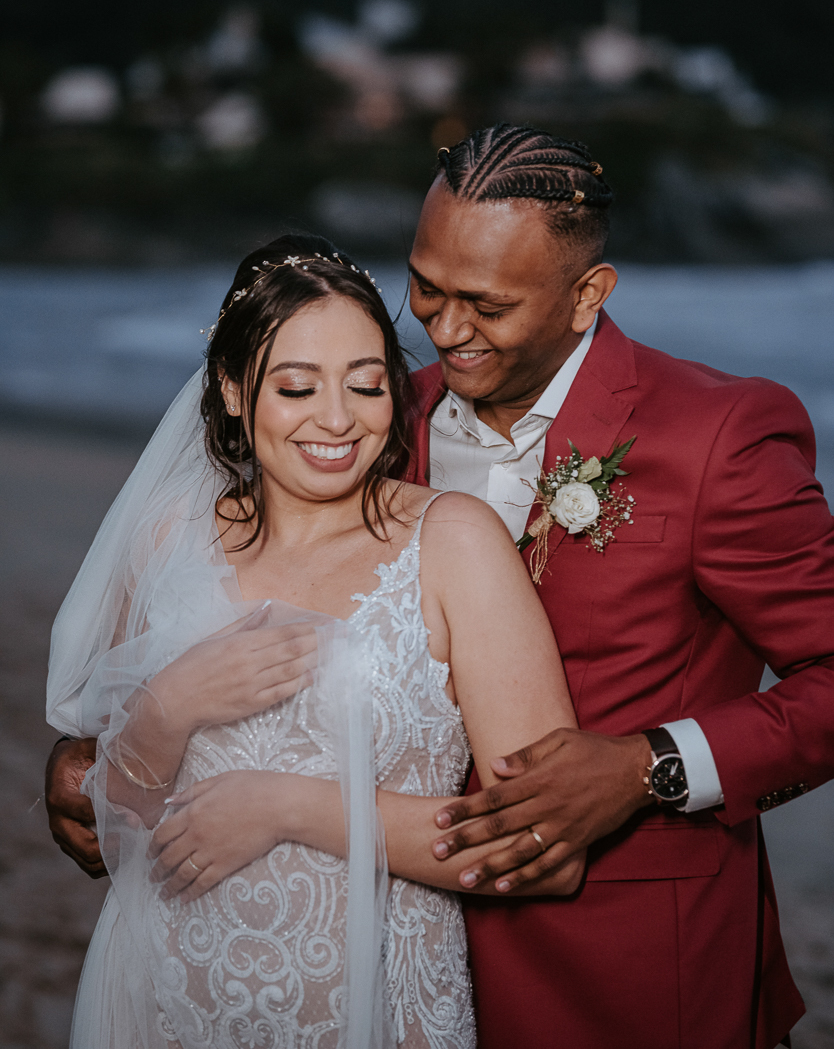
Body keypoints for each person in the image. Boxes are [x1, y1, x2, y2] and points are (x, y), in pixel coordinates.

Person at [47, 123, 834, 1048]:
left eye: (487, 305)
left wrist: (649, 766)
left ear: (587, 294)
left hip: (623, 965)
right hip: (384, 952)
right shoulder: (374, 414)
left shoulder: (718, 434)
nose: (447, 331)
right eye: (426, 287)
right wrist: (90, 768)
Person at [45, 233, 581, 1049]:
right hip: (159, 999)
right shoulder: (166, 540)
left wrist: (293, 808)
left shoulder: (453, 543)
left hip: (370, 1009)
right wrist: (169, 707)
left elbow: (540, 846)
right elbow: (115, 832)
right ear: (231, 389)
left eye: (367, 386)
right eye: (297, 388)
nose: (338, 419)